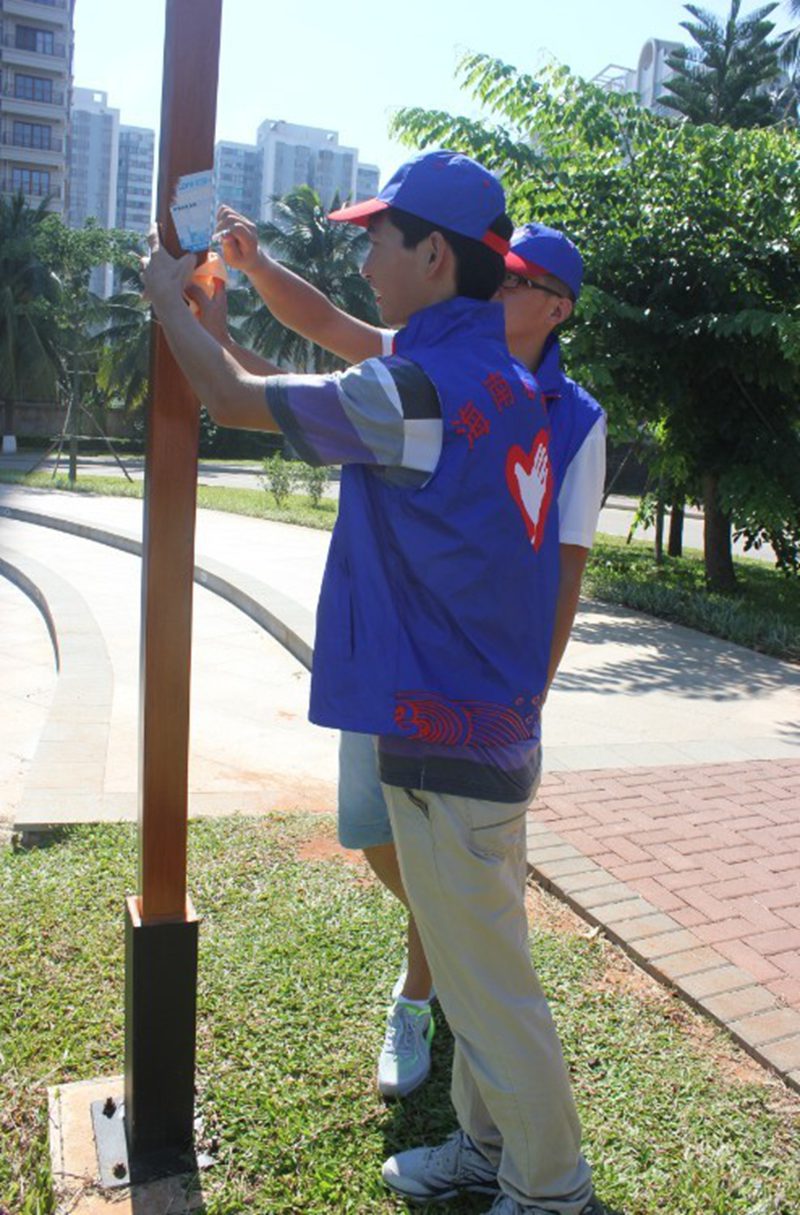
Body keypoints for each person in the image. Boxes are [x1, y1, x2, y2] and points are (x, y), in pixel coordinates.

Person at [142, 148, 600, 1215]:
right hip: (478, 721)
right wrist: (239, 292)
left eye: (377, 240)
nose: (364, 261)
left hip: (447, 732)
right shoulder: (496, 375)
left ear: (433, 255)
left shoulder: (417, 386)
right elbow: (310, 356)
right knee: (473, 969)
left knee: (494, 990)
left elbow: (233, 399)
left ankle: (551, 1188)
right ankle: (486, 1150)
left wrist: (169, 298)